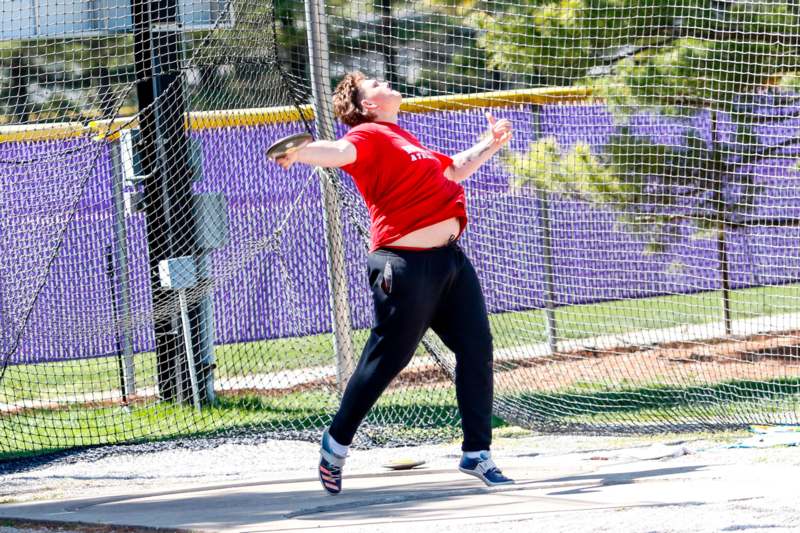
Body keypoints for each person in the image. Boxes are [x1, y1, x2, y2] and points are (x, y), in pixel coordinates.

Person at [271, 71, 514, 494]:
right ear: (368, 105)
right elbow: (340, 151)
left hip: (450, 262)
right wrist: (302, 152)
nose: (383, 82)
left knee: (477, 349)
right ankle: (336, 442)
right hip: (403, 265)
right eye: (374, 84)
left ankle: (477, 452)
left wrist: (490, 143)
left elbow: (453, 170)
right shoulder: (368, 135)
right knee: (389, 358)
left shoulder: (404, 139)